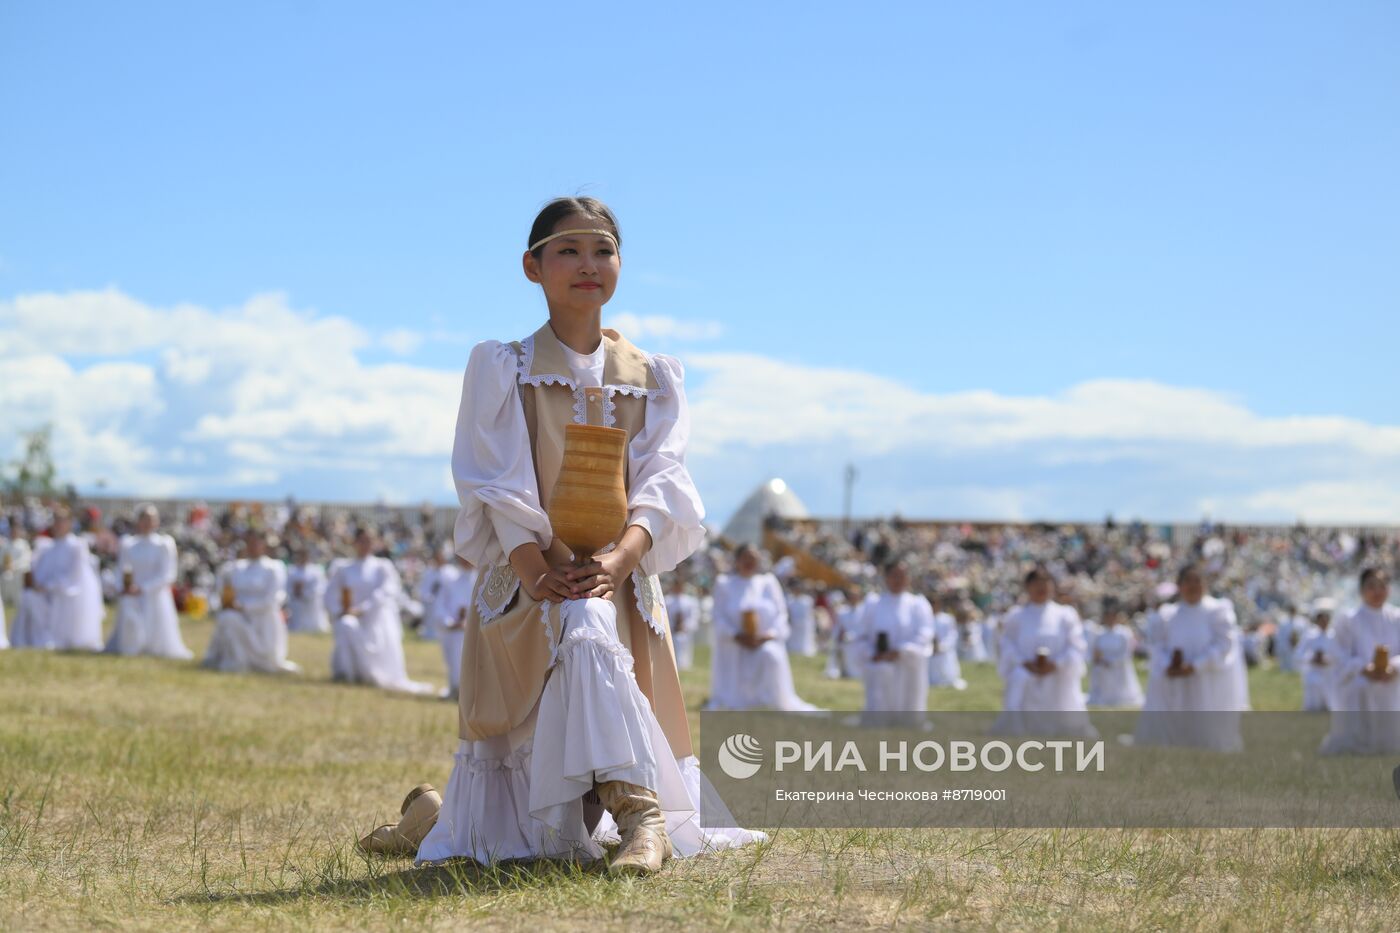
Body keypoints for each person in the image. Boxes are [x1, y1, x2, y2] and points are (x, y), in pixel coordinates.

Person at [411, 197, 763, 873]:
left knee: (593, 617)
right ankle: (436, 815)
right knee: (517, 829)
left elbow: (663, 479)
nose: (587, 265)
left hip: (622, 580)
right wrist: (537, 565)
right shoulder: (503, 367)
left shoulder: (654, 377)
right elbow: (497, 479)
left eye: (602, 250)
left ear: (620, 265)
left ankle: (639, 815)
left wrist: (619, 558)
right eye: (567, 250)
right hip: (528, 581)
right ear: (532, 266)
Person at [1134, 564, 1249, 752]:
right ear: (1180, 585)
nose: (1193, 586)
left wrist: (1197, 665)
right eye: (1188, 581)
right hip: (1176, 677)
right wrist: (1168, 665)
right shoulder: (1168, 614)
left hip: (1207, 678)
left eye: (1197, 581)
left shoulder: (1217, 610)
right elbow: (1157, 645)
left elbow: (1224, 644)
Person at [708, 545, 821, 711]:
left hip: (764, 641)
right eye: (746, 557)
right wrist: (736, 635)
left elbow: (781, 614)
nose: (750, 562)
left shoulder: (768, 583)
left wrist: (769, 635)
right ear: (737, 560)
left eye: (754, 558)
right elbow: (718, 616)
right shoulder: (725, 584)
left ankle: (771, 697)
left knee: (771, 654)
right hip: (735, 644)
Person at [326, 528, 433, 695]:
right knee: (346, 625)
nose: (365, 545)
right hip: (351, 617)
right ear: (354, 543)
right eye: (361, 541)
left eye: (368, 541)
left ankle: (374, 673)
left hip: (376, 619)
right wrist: (341, 610)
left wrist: (363, 609)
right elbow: (331, 593)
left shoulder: (382, 566)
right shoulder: (344, 568)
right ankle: (350, 673)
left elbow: (387, 590)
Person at [992, 567, 1095, 737]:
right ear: (1027, 587)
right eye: (1036, 584)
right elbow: (1007, 643)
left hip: (1057, 675)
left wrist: (1057, 663)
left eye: (1045, 584)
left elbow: (1076, 645)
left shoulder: (1065, 615)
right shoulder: (1017, 616)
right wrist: (1023, 662)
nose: (1041, 588)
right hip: (1027, 673)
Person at [1320, 567, 1400, 756]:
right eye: (1371, 586)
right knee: (1361, 687)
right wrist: (1364, 668)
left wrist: (1394, 668)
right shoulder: (1349, 619)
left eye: (1382, 586)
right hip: (1359, 676)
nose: (1377, 591)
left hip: (1393, 676)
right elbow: (1338, 652)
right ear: (1361, 590)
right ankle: (1361, 741)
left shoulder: (1397, 617)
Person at [203, 529, 301, 674]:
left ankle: (241, 663)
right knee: (227, 617)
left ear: (264, 545)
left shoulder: (274, 568)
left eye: (256, 543)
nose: (252, 546)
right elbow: (223, 589)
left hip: (263, 623)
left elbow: (272, 600)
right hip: (238, 616)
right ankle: (234, 660)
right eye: (249, 543)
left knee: (229, 618)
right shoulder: (236, 567)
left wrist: (243, 607)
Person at [105, 504, 192, 659]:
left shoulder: (164, 544)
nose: (146, 523)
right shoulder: (128, 543)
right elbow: (121, 570)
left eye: (150, 519)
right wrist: (123, 588)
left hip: (155, 594)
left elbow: (168, 575)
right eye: (143, 519)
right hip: (131, 593)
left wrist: (143, 588)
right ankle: (130, 646)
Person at [856, 560, 934, 713]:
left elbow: (925, 633)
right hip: (880, 663)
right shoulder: (873, 604)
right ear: (886, 577)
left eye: (902, 575)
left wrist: (901, 651)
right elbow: (862, 635)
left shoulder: (917, 605)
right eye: (894, 575)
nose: (898, 580)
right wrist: (874, 653)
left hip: (908, 664)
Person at [32, 508, 104, 652]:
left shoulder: (76, 545)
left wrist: (51, 586)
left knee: (61, 597)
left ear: (69, 523)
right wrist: (40, 585)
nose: (59, 524)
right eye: (56, 521)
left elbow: (75, 576)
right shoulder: (46, 546)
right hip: (48, 590)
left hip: (69, 590)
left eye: (62, 521)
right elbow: (40, 572)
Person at [429, 556, 478, 701]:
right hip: (455, 631)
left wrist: (471, 623)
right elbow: (440, 607)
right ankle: (456, 688)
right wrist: (451, 623)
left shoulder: (483, 580)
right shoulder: (450, 581)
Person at [1086, 599, 1143, 708]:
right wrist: (1101, 660)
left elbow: (1126, 652)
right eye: (1107, 616)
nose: (1110, 619)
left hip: (1119, 665)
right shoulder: (1099, 633)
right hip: (1103, 665)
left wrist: (1112, 661)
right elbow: (1095, 650)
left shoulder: (1124, 633)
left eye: (1112, 616)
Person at [1295, 598, 1339, 713]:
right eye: (1321, 619)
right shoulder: (1310, 635)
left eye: (1326, 619)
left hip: (1330, 673)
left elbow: (1340, 655)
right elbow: (1299, 654)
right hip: (1314, 672)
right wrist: (1312, 658)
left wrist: (1328, 660)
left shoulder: (1334, 635)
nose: (1324, 622)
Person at [286, 550, 330, 633]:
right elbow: (288, 587)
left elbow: (319, 588)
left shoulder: (316, 570)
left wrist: (304, 592)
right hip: (296, 603)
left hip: (311, 603)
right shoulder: (292, 570)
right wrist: (296, 591)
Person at [927, 598, 966, 690]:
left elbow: (952, 635)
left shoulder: (947, 619)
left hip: (944, 651)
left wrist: (942, 647)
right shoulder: (926, 619)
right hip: (930, 652)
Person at [664, 575, 699, 671]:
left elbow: (694, 617)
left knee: (683, 645)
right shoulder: (667, 600)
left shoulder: (690, 601)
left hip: (685, 631)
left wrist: (684, 626)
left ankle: (684, 665)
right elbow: (664, 617)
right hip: (671, 631)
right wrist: (673, 626)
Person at [785, 583, 819, 657]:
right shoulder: (789, 600)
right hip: (793, 623)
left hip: (804, 623)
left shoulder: (807, 600)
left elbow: (810, 612)